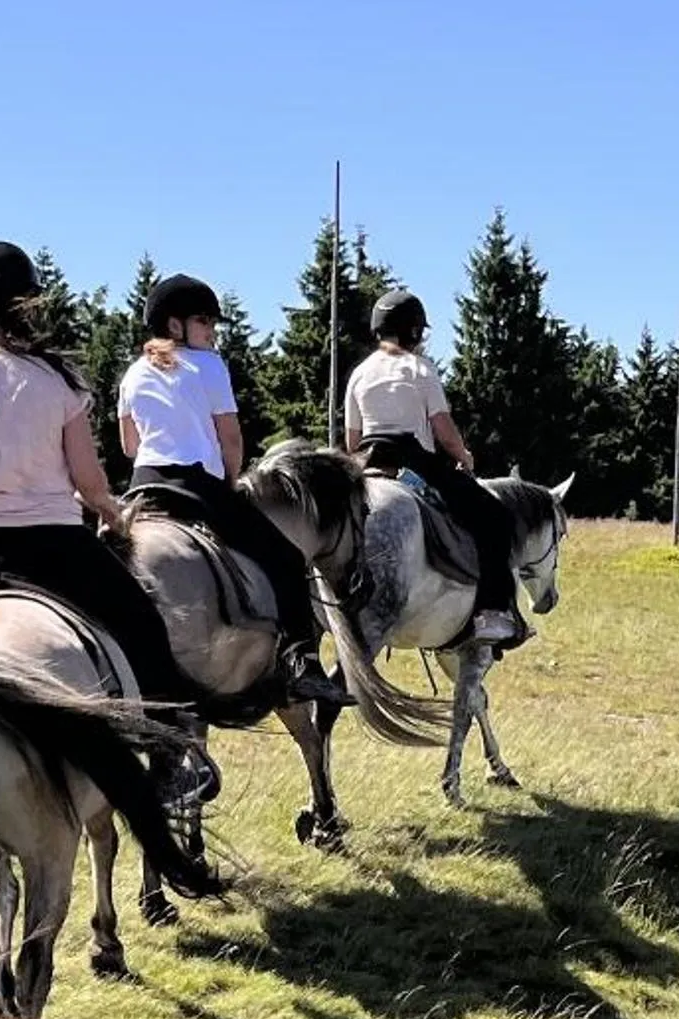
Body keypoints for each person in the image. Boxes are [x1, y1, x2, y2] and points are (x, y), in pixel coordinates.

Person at [0, 240, 220, 803]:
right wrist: (110, 509)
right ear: (27, 303)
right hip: (55, 540)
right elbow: (88, 481)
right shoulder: (58, 379)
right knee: (141, 625)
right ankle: (169, 757)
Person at [115, 274, 352, 709]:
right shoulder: (208, 366)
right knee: (284, 558)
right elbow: (231, 438)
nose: (212, 331)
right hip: (197, 485)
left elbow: (129, 445)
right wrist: (228, 482)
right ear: (174, 326)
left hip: (143, 485)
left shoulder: (133, 373)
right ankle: (302, 664)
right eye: (204, 322)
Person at [342, 285, 523, 647]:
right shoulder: (419, 369)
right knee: (494, 517)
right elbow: (442, 426)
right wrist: (463, 456)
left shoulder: (359, 373)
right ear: (413, 331)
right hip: (413, 458)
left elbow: (351, 438)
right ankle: (492, 613)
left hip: (366, 459)